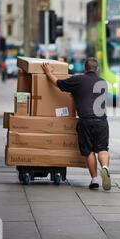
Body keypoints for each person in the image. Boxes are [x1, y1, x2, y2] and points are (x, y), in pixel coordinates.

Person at [41, 58, 111, 190]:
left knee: (89, 151)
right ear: (97, 69)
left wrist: (48, 72)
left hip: (86, 121)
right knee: (102, 149)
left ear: (85, 68)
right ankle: (105, 168)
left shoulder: (78, 80)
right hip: (102, 121)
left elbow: (58, 83)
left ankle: (94, 179)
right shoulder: (103, 82)